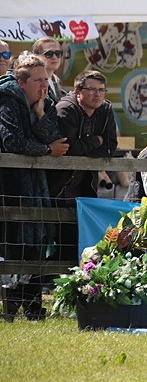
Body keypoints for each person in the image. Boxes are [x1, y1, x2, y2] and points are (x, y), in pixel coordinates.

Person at [0, 55, 68, 321]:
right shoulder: (6, 99)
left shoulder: (46, 103)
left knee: (36, 242)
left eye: (46, 80)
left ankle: (33, 307)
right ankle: (11, 308)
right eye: (38, 81)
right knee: (12, 244)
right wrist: (45, 150)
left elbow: (56, 138)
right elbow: (11, 141)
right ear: (21, 82)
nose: (43, 86)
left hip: (35, 185)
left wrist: (40, 113)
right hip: (8, 183)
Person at [49, 70, 118, 200]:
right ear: (77, 91)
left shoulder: (105, 110)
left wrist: (82, 148)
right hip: (59, 185)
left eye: (101, 90)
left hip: (85, 187)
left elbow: (110, 148)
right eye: (91, 89)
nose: (97, 94)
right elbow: (69, 148)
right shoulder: (65, 109)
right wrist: (97, 140)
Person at [30, 37, 67, 103]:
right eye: (49, 54)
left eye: (58, 53)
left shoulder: (55, 81)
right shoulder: (33, 81)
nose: (54, 57)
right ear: (37, 56)